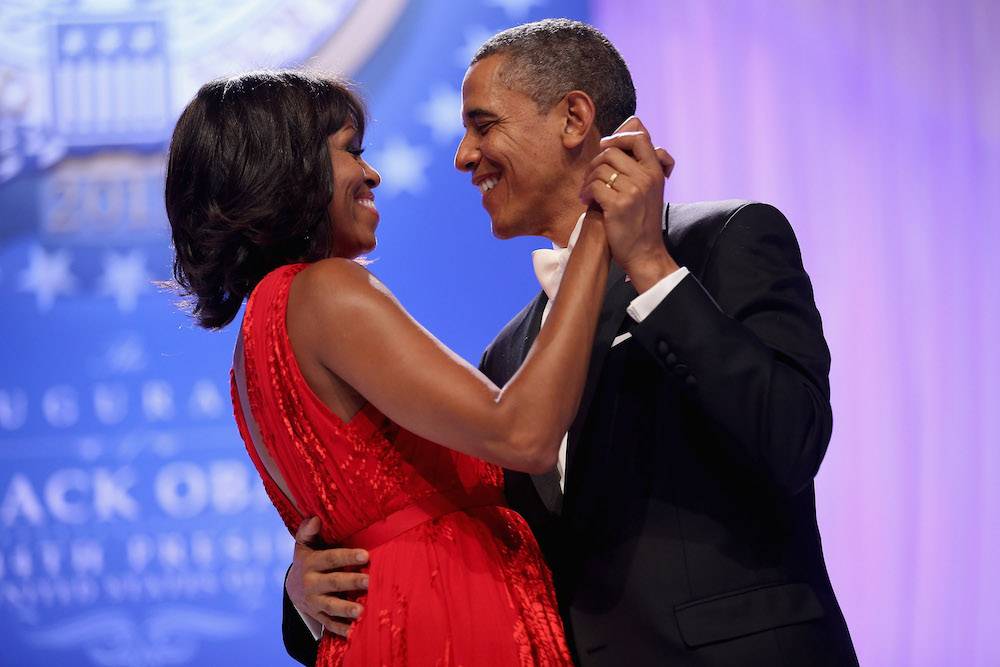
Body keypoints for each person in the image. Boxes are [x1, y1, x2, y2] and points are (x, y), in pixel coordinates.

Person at [282, 19, 859, 667]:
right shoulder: (510, 355)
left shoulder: (723, 241)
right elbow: (456, 531)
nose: (463, 155)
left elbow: (792, 438)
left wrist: (650, 267)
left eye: (482, 123)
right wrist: (307, 595)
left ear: (574, 118)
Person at [164, 69, 664, 665]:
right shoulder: (322, 292)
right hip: (443, 618)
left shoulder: (258, 337)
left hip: (387, 626)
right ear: (288, 168)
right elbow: (522, 434)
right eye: (351, 152)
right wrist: (597, 226)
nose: (371, 173)